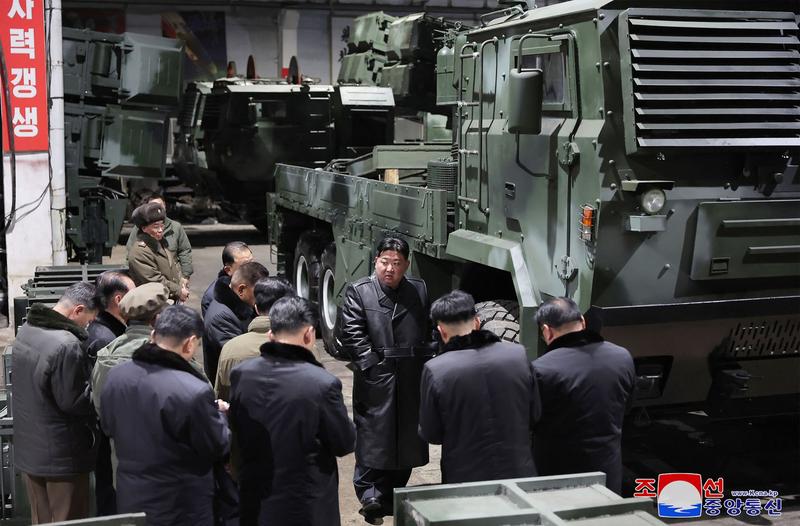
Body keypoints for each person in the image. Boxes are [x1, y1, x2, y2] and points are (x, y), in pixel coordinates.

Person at [100, 305, 230, 526]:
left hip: (131, 496)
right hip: (181, 506)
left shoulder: (116, 376)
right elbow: (217, 445)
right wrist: (221, 417)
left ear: (153, 335)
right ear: (190, 343)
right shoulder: (193, 390)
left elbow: (108, 426)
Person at [230, 296, 355, 526]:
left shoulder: (241, 374)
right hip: (305, 505)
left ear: (270, 334)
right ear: (309, 334)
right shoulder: (322, 383)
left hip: (254, 497)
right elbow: (343, 443)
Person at [337, 236, 432, 524]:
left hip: (410, 374)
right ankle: (370, 495)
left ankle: (392, 494)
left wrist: (428, 360)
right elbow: (351, 331)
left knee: (406, 436)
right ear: (375, 260)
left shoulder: (418, 289)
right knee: (373, 435)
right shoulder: (359, 291)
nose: (389, 269)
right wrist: (371, 365)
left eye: (397, 263)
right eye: (384, 262)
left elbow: (427, 326)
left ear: (406, 265)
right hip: (377, 376)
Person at [419, 290, 539, 484]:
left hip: (464, 479)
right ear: (477, 321)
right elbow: (534, 415)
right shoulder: (518, 355)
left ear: (441, 331)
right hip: (519, 473)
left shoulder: (436, 370)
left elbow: (432, 433)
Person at [12, 282, 100, 523]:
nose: (88, 325)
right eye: (89, 319)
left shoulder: (28, 328)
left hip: (31, 449)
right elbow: (73, 401)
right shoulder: (67, 344)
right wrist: (101, 391)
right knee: (68, 518)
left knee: (41, 518)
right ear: (78, 310)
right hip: (62, 455)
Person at [531, 297, 635, 494]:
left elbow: (529, 420)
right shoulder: (622, 357)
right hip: (607, 475)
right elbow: (627, 405)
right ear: (583, 321)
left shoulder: (541, 369)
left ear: (546, 330)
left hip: (557, 479)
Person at [90, 282, 169, 517]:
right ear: (156, 319)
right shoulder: (167, 355)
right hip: (166, 465)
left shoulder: (107, 353)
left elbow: (100, 410)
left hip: (121, 462)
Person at [215, 276, 294, 401]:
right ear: (290, 308)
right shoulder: (305, 347)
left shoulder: (230, 349)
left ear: (256, 307)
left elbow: (222, 399)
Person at [204, 261, 269, 380]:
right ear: (241, 290)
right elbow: (238, 359)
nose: (262, 297)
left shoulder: (241, 306)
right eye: (258, 292)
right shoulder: (221, 318)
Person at [127, 201, 190, 302]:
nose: (161, 230)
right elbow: (154, 279)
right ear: (144, 228)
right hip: (153, 304)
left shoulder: (160, 242)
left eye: (162, 225)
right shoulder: (140, 252)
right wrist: (178, 291)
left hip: (168, 299)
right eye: (156, 226)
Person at [126, 191, 193, 282]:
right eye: (152, 206)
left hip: (174, 278)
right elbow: (130, 253)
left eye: (159, 205)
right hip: (152, 278)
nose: (160, 230)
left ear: (165, 206)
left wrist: (185, 276)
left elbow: (184, 251)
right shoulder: (138, 230)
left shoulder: (176, 227)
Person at [83, 271, 135, 362]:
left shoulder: (103, 329)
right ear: (119, 300)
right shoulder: (104, 340)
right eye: (134, 295)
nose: (138, 300)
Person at [202, 241, 254, 315]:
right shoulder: (211, 297)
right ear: (228, 270)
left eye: (252, 262)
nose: (252, 268)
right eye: (245, 265)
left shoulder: (257, 282)